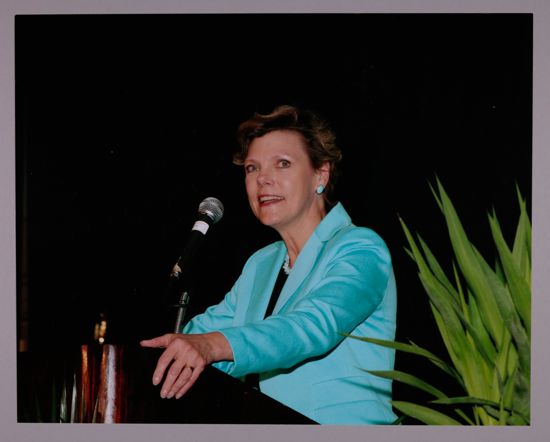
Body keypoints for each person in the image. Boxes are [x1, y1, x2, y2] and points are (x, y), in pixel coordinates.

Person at [140, 105, 397, 424]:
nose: (263, 179)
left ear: (321, 173)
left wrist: (210, 346)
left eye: (283, 164)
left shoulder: (360, 248)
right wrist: (158, 357)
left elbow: (314, 326)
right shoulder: (261, 264)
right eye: (252, 168)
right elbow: (206, 334)